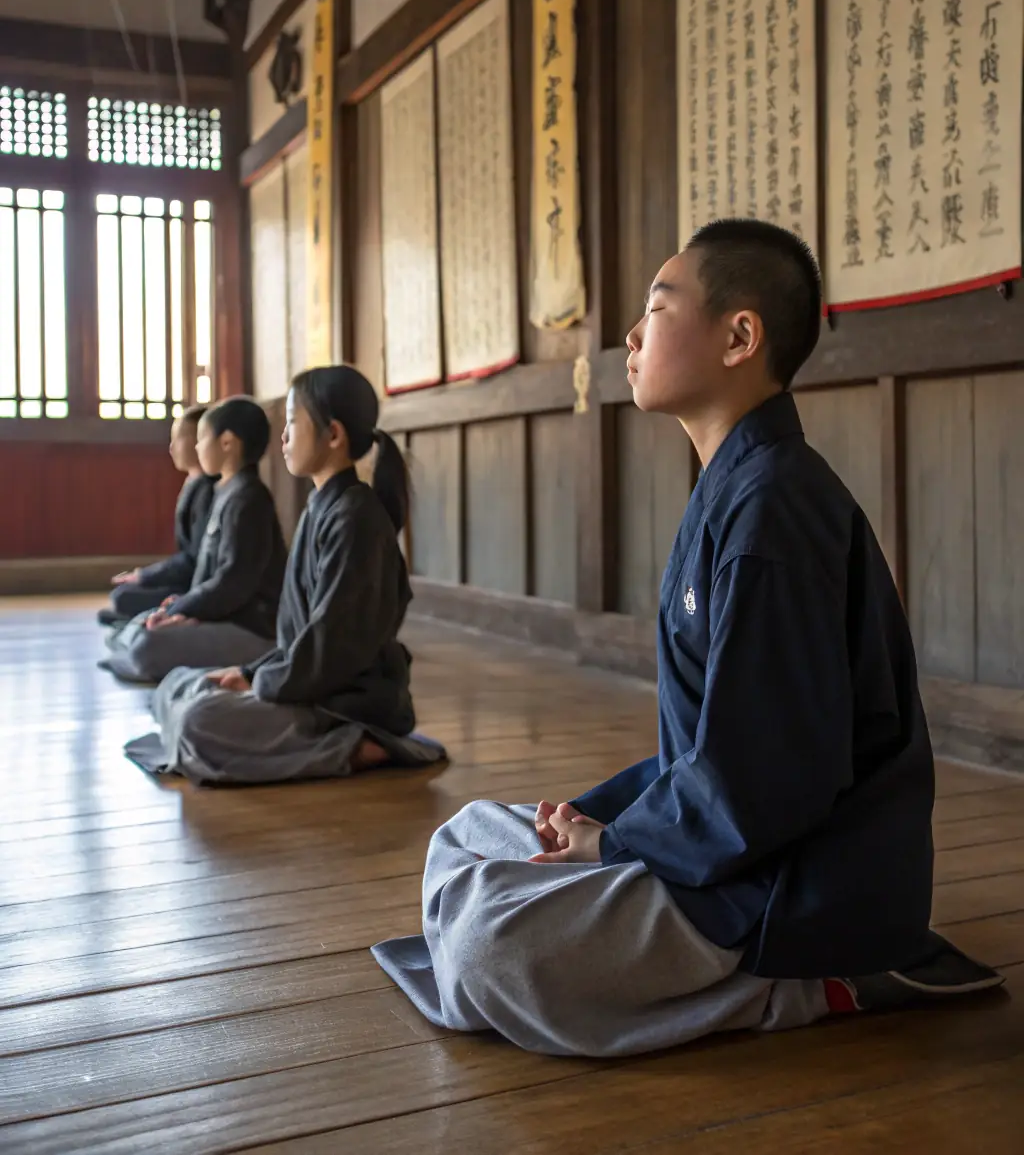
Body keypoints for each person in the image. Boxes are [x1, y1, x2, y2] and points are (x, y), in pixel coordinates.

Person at [371, 218, 1003, 1058]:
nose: (630, 335)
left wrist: (619, 841)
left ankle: (820, 984)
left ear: (740, 336)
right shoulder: (736, 486)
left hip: (787, 898)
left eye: (657, 308)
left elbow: (766, 783)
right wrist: (599, 818)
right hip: (723, 852)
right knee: (466, 837)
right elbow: (707, 754)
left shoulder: (776, 509)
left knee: (493, 940)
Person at [124, 364, 446, 785]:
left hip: (345, 700)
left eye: (294, 422)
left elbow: (331, 646)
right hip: (305, 681)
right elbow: (301, 638)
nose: (284, 436)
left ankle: (356, 746)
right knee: (178, 687)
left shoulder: (356, 519)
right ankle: (303, 735)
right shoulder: (324, 507)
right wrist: (251, 673)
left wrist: (260, 682)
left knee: (198, 721)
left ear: (333, 436)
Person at [103, 397, 287, 684]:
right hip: (225, 617)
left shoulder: (249, 499)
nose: (198, 448)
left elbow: (233, 583)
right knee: (143, 627)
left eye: (202, 439)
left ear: (227, 443)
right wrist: (181, 605)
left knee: (146, 644)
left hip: (254, 629)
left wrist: (188, 610)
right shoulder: (227, 491)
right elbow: (206, 572)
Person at [98, 405, 218, 628]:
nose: (172, 447)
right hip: (186, 578)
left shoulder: (208, 491)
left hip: (195, 584)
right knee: (122, 595)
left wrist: (145, 576)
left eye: (179, 438)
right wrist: (144, 575)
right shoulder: (194, 484)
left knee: (123, 597)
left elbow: (194, 558)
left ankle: (146, 617)